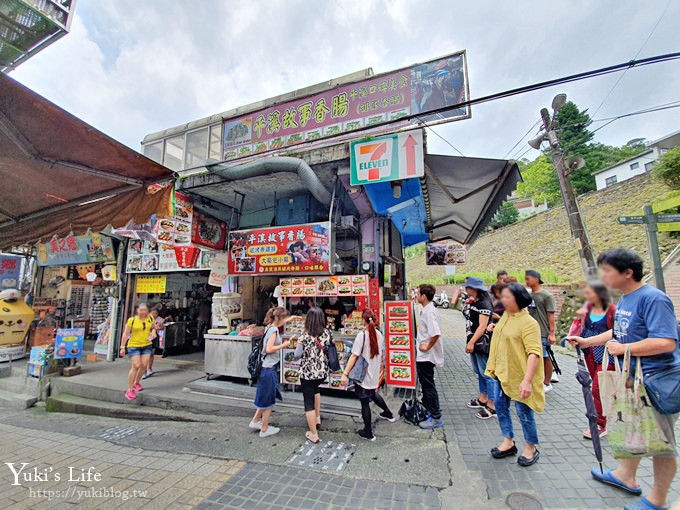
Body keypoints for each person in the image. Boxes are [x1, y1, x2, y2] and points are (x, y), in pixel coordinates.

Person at [568, 249, 680, 510]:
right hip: (633, 380)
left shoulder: (653, 299)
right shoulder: (626, 299)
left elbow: (666, 342)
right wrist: (587, 340)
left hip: (656, 382)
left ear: (628, 273)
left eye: (607, 270)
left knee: (661, 444)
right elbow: (616, 332)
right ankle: (624, 476)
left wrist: (625, 349)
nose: (602, 276)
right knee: (632, 431)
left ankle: (658, 500)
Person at [486, 283, 545, 467]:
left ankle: (531, 447)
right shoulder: (506, 317)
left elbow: (534, 353)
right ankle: (508, 441)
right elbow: (507, 336)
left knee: (524, 412)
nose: (502, 300)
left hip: (520, 376)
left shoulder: (529, 323)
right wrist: (495, 329)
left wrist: (527, 381)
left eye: (506, 297)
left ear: (518, 299)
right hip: (502, 373)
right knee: (500, 407)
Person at [568, 283, 616, 439]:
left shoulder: (612, 310)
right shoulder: (588, 310)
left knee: (598, 388)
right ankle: (607, 417)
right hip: (589, 351)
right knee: (598, 386)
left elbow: (617, 332)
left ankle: (600, 423)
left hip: (607, 353)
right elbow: (581, 324)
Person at [341, 309, 395, 441]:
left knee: (365, 401)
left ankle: (368, 432)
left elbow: (354, 356)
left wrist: (345, 374)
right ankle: (388, 413)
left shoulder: (362, 336)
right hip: (374, 371)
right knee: (372, 394)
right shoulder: (379, 334)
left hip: (364, 374)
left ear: (363, 320)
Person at [250, 307, 291, 438]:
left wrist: (295, 318)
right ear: (278, 318)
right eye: (284, 318)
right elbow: (269, 349)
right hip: (268, 369)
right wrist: (283, 346)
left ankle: (255, 421)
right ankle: (264, 429)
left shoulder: (269, 327)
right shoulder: (273, 330)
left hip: (265, 368)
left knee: (263, 396)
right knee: (268, 400)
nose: (285, 321)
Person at [462, 277, 497, 420]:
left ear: (475, 289)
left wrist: (472, 343)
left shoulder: (484, 304)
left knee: (487, 374)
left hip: (481, 343)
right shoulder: (474, 302)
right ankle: (482, 398)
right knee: (479, 372)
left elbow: (482, 326)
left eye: (468, 287)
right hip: (474, 341)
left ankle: (493, 405)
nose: (466, 290)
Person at [295, 307, 331, 443]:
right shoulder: (327, 333)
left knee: (308, 402)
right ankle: (317, 418)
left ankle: (313, 434)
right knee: (316, 390)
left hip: (308, 373)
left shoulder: (304, 336)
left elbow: (297, 354)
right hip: (322, 372)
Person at [416, 284, 444, 429]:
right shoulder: (426, 310)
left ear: (424, 297)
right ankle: (429, 410)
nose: (416, 295)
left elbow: (435, 333)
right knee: (426, 384)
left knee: (428, 386)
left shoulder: (429, 312)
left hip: (427, 356)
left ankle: (436, 417)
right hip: (424, 355)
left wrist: (427, 346)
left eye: (417, 293)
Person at [525, 270, 557, 391]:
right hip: (531, 331)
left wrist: (552, 333)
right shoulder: (529, 295)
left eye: (528, 279)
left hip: (543, 331)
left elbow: (551, 315)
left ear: (536, 279)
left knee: (545, 356)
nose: (526, 281)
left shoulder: (546, 296)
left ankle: (547, 383)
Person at [119, 303, 155, 401]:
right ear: (137, 310)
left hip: (147, 345)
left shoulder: (150, 318)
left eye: (145, 310)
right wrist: (122, 347)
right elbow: (126, 334)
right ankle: (129, 390)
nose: (143, 312)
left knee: (144, 365)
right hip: (134, 346)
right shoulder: (132, 320)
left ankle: (137, 382)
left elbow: (153, 328)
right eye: (141, 310)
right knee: (136, 365)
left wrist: (153, 333)